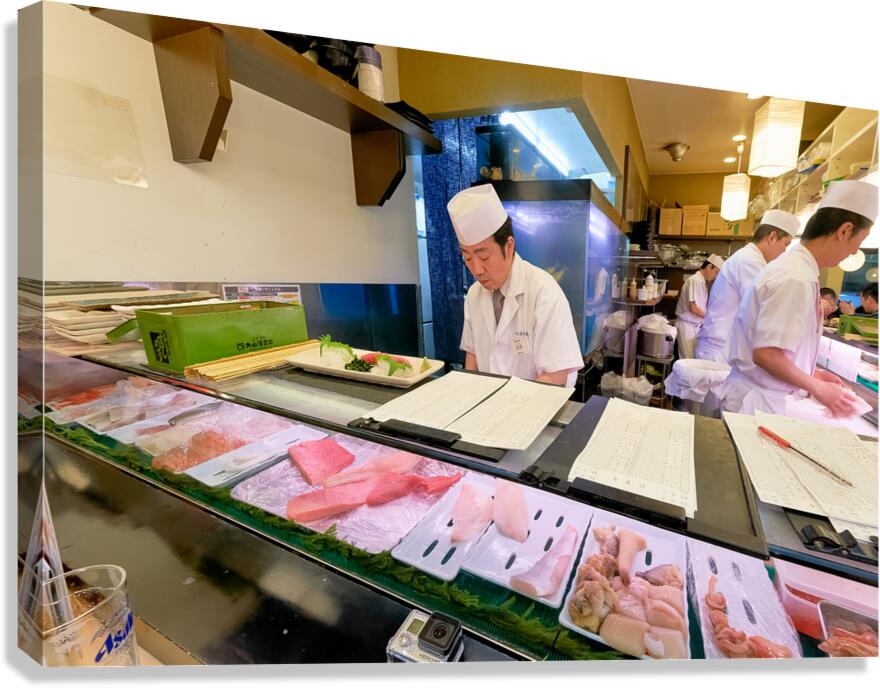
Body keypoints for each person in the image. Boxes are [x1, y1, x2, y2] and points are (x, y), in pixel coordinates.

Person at [721, 180, 878, 416]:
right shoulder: (795, 277)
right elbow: (765, 354)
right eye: (861, 240)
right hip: (757, 405)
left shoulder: (800, 271)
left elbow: (775, 349)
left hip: (760, 398)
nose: (855, 250)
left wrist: (810, 374)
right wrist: (817, 388)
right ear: (844, 230)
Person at [448, 184, 584, 387]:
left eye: (483, 255)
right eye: (467, 257)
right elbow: (473, 354)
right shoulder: (475, 294)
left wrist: (512, 412)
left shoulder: (543, 292)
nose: (476, 269)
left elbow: (556, 376)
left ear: (509, 245)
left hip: (537, 409)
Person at [695, 210, 798, 362]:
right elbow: (765, 305)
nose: (784, 251)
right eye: (786, 244)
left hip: (720, 347)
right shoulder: (750, 261)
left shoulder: (749, 258)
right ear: (772, 237)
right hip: (719, 350)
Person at [674, 255, 724, 359]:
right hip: (686, 327)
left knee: (693, 360)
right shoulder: (694, 280)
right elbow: (693, 307)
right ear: (710, 266)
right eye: (716, 273)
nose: (715, 277)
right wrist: (710, 318)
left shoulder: (702, 282)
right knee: (687, 361)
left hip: (695, 327)